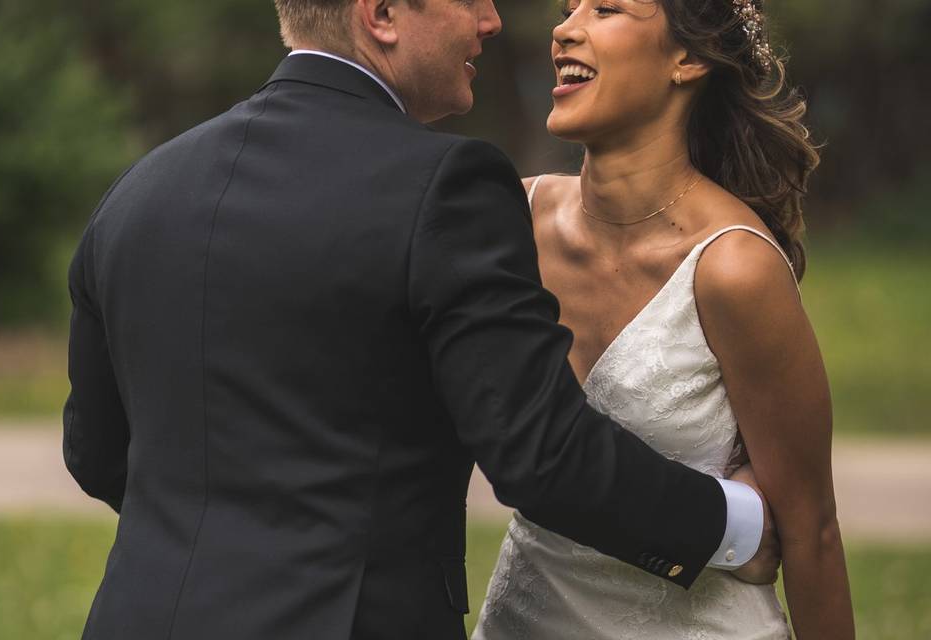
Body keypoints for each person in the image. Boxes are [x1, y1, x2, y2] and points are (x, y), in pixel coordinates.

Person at [63, 1, 777, 638]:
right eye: (471, 0)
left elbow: (95, 454)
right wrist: (740, 524)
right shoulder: (447, 189)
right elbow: (542, 457)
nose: (492, 21)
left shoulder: (139, 191)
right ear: (381, 16)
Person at [473, 1, 854, 638]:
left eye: (609, 8)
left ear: (689, 58)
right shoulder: (511, 220)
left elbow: (811, 530)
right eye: (569, 10)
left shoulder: (733, 267)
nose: (565, 29)